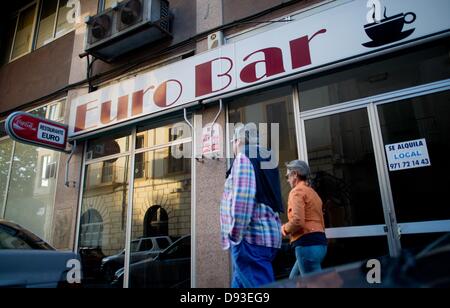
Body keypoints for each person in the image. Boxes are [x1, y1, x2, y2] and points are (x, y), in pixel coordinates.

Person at [220, 125, 283, 288]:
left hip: (250, 239)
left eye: (232, 142)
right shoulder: (266, 157)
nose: (232, 147)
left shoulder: (244, 156)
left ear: (239, 140)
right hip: (266, 237)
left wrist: (234, 234)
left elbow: (243, 199)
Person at [282, 160, 327, 278]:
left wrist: (283, 229)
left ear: (295, 174)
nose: (287, 180)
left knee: (314, 284)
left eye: (288, 176)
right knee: (294, 280)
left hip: (307, 244)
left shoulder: (296, 192)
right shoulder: (313, 193)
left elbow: (297, 221)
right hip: (320, 244)